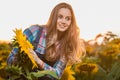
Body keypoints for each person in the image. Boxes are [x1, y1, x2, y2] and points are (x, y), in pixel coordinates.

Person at [7, 2, 85, 80]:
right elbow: (10, 59)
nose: (64, 21)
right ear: (54, 18)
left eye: (68, 18)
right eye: (60, 17)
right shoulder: (35, 31)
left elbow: (56, 74)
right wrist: (23, 57)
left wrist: (38, 61)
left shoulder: (67, 46)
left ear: (71, 22)